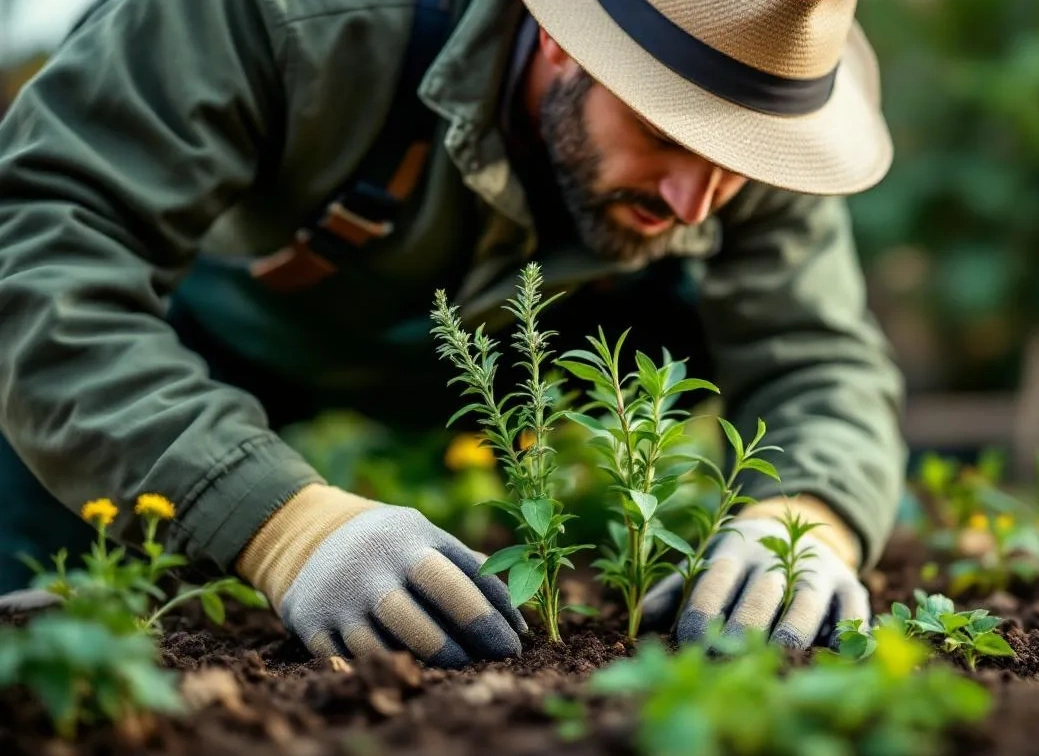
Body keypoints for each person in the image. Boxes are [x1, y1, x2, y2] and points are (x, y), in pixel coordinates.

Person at [0, 0, 905, 668]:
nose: (693, 201)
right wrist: (277, 523)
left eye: (735, 166)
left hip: (526, 386)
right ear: (560, 34)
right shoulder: (284, 20)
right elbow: (43, 260)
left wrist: (809, 516)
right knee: (57, 632)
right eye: (665, 132)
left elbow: (818, 359)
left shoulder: (763, 112)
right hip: (216, 341)